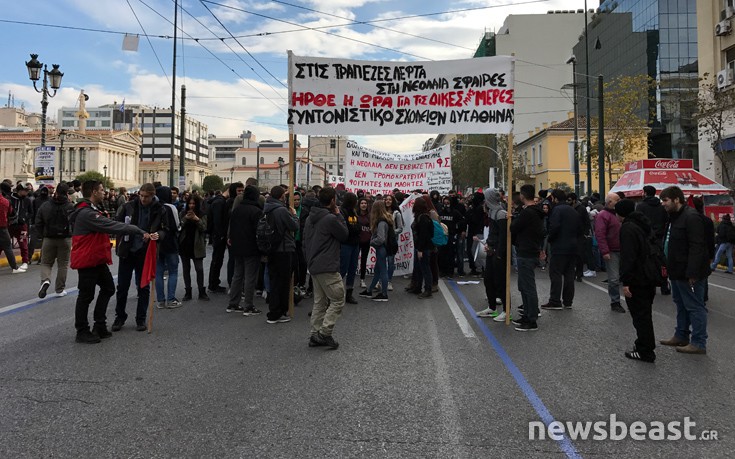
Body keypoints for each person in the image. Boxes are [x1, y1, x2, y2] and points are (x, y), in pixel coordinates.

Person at [69, 180, 148, 344]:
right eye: (101, 190)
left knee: (108, 288)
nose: (104, 192)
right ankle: (82, 330)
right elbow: (111, 225)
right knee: (86, 295)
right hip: (87, 259)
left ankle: (99, 325)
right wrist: (137, 230)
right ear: (93, 192)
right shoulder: (87, 213)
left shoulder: (91, 210)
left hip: (96, 258)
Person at [658, 186, 710, 355]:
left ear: (676, 199)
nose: (663, 204)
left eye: (665, 200)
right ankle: (681, 335)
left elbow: (697, 247)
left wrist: (693, 272)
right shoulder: (673, 217)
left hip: (689, 272)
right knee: (681, 304)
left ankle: (698, 342)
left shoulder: (691, 217)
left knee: (695, 307)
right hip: (676, 270)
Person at [113, 183, 167, 332]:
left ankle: (140, 318)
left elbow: (165, 229)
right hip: (127, 249)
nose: (143, 199)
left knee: (143, 287)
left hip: (145, 251)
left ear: (152, 195)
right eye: (141, 196)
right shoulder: (128, 206)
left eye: (146, 197)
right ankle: (120, 317)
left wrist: (158, 235)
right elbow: (118, 223)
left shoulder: (159, 209)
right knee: (122, 286)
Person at [304, 187, 349, 349]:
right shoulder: (330, 218)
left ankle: (314, 333)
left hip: (315, 264)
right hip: (327, 264)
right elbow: (344, 235)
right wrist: (338, 214)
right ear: (332, 201)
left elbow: (305, 241)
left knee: (320, 302)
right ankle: (324, 333)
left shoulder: (310, 218)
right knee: (337, 299)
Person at [616, 199, 657, 363]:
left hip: (637, 278)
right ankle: (645, 345)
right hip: (648, 275)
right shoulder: (642, 224)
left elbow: (628, 257)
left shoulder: (627, 228)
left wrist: (626, 282)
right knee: (645, 314)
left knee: (640, 316)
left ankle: (645, 350)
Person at [510, 185, 544, 331]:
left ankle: (531, 319)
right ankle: (528, 314)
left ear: (523, 196)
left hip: (526, 251)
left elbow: (514, 228)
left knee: (528, 287)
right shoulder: (536, 212)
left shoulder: (527, 213)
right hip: (530, 250)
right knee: (524, 286)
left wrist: (512, 219)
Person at [541, 189, 582, 310]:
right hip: (573, 246)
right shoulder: (573, 210)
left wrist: (550, 239)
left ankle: (555, 300)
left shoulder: (557, 210)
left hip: (559, 246)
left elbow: (554, 227)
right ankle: (568, 301)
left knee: (556, 273)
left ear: (555, 198)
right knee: (569, 274)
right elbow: (579, 228)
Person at [263, 185, 299, 324]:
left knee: (274, 281)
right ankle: (278, 313)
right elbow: (294, 227)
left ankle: (274, 309)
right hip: (283, 249)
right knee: (283, 283)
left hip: (272, 248)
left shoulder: (267, 208)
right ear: (281, 197)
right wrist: (294, 215)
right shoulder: (281, 210)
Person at [226, 185, 263, 316]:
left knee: (238, 275)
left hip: (237, 246)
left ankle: (233, 303)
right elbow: (258, 231)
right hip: (251, 247)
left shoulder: (237, 209)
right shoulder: (256, 211)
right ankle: (248, 305)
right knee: (250, 277)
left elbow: (232, 227)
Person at [35, 183, 75, 298]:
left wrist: (43, 234)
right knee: (63, 264)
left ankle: (45, 280)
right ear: (67, 194)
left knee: (46, 262)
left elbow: (38, 222)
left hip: (49, 238)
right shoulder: (70, 207)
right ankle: (59, 289)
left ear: (56, 192)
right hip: (65, 238)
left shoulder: (46, 205)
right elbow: (75, 222)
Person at [476, 189, 509, 321]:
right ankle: (492, 308)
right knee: (488, 280)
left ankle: (507, 311)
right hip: (491, 251)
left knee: (501, 282)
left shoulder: (501, 214)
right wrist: (488, 244)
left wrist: (499, 253)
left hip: (498, 253)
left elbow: (503, 236)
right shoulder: (491, 212)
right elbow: (492, 234)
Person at [636, 185, 671, 294]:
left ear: (645, 193)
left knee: (646, 261)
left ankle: (649, 284)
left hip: (645, 236)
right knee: (661, 261)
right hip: (659, 236)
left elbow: (638, 221)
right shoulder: (661, 206)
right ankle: (664, 285)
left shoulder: (641, 206)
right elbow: (667, 220)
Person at [595, 192, 625, 313]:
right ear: (609, 202)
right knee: (613, 278)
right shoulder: (603, 215)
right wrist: (605, 251)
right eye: (617, 200)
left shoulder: (621, 214)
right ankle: (615, 301)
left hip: (623, 249)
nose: (619, 201)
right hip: (612, 250)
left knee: (624, 276)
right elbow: (600, 233)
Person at [359, 200, 393, 301]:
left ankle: (384, 294)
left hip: (381, 248)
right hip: (382, 248)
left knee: (382, 271)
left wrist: (372, 241)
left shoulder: (381, 222)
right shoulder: (385, 219)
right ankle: (369, 290)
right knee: (378, 271)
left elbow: (381, 238)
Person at [154, 186, 181, 309]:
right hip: (170, 241)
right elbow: (177, 225)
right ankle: (171, 299)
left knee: (159, 272)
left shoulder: (154, 207)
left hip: (157, 242)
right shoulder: (171, 207)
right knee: (173, 271)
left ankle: (160, 300)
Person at [179, 195, 209, 301]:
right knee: (186, 269)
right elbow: (178, 227)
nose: (191, 206)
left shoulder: (202, 214)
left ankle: (201, 291)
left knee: (199, 269)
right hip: (185, 244)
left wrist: (197, 219)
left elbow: (204, 228)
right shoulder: (183, 213)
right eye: (190, 203)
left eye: (193, 204)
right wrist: (185, 219)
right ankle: (188, 291)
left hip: (197, 245)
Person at [410, 196, 434, 298]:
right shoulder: (424, 216)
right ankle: (417, 287)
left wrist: (420, 249)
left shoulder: (423, 218)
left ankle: (428, 290)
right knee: (418, 268)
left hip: (422, 247)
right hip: (421, 246)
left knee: (425, 269)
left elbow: (424, 235)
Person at [339, 192, 361, 304]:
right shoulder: (342, 212)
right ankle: (334, 292)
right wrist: (355, 229)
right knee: (342, 269)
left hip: (355, 244)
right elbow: (347, 228)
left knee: (352, 269)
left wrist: (355, 229)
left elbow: (359, 227)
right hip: (346, 244)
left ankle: (349, 293)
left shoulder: (354, 212)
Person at [207, 187, 229, 293]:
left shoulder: (218, 201)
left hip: (216, 234)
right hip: (218, 235)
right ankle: (213, 283)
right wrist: (220, 234)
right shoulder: (220, 202)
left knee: (217, 259)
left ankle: (214, 282)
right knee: (217, 259)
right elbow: (217, 220)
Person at [0, 182, 24, 273]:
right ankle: (14, 267)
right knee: (8, 248)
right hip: (3, 227)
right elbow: (12, 213)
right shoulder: (6, 201)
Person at [9, 184, 33, 270]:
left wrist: (24, 218)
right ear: (20, 190)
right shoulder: (11, 198)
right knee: (3, 243)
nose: (27, 192)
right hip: (10, 225)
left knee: (23, 243)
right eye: (25, 190)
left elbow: (31, 212)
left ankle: (25, 262)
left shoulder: (27, 200)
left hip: (22, 226)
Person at [384, 193, 403, 290]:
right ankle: (381, 280)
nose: (388, 201)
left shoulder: (397, 213)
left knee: (390, 261)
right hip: (382, 240)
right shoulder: (381, 212)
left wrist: (391, 233)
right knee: (381, 261)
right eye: (386, 199)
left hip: (392, 240)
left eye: (390, 200)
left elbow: (400, 228)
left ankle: (389, 281)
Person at [356, 198, 371, 289]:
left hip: (366, 241)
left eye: (365, 203)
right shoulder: (356, 215)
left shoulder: (370, 216)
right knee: (353, 261)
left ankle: (362, 280)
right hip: (357, 241)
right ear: (359, 204)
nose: (364, 205)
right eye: (362, 203)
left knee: (364, 260)